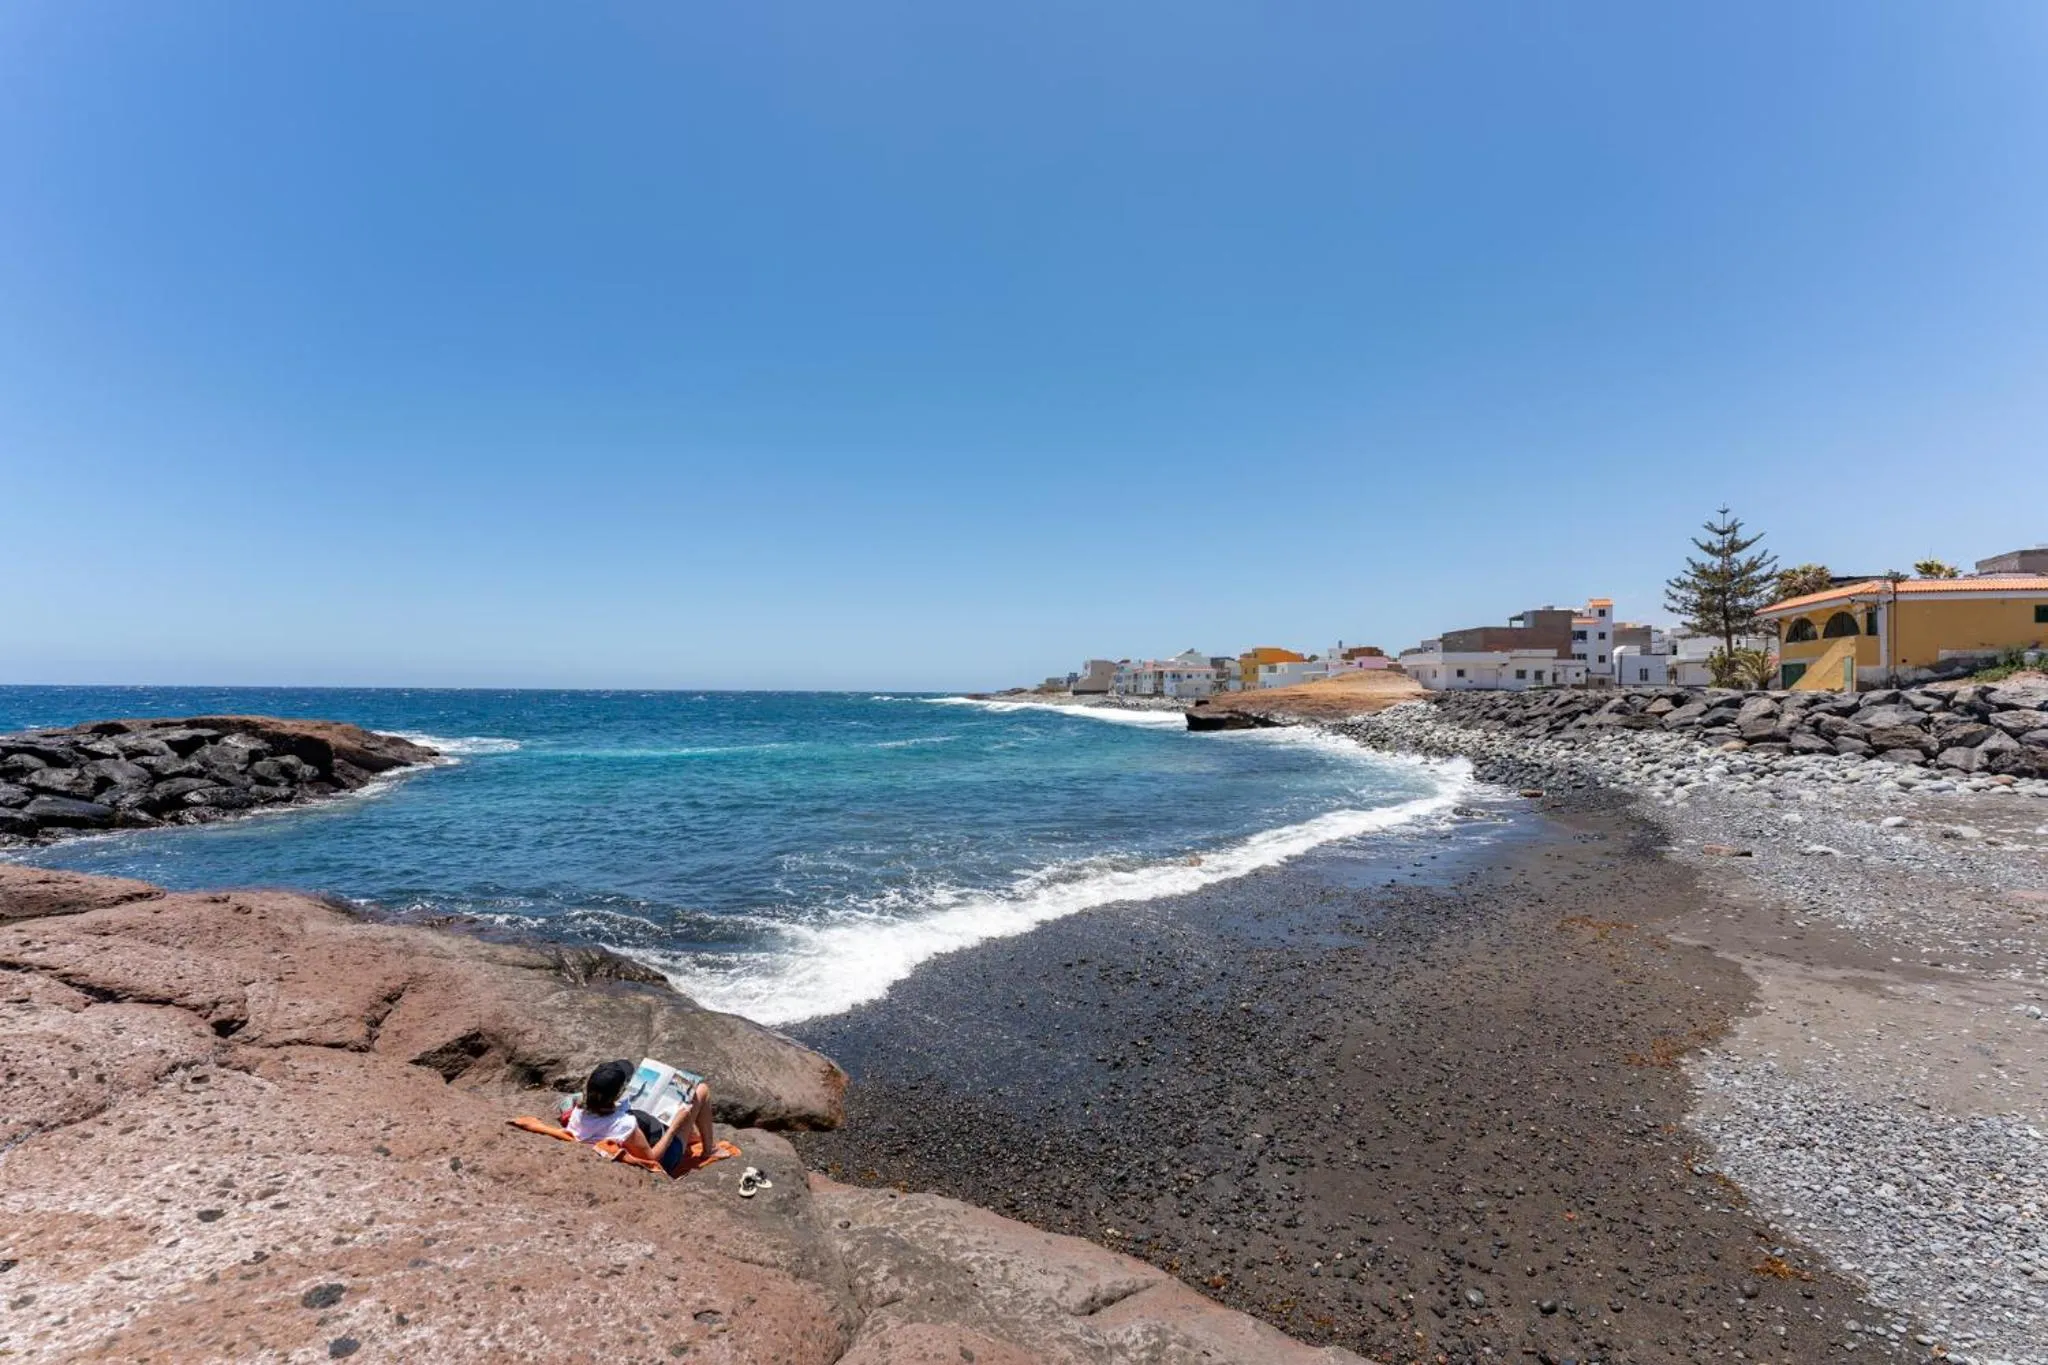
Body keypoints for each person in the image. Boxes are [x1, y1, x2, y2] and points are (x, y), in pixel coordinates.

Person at [564, 1058, 715, 1177]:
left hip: (639, 1135)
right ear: (618, 1093)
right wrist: (674, 1127)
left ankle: (691, 1136)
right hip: (665, 1157)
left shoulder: (578, 1112)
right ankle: (709, 1150)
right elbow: (652, 1160)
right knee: (701, 1091)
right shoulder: (624, 1125)